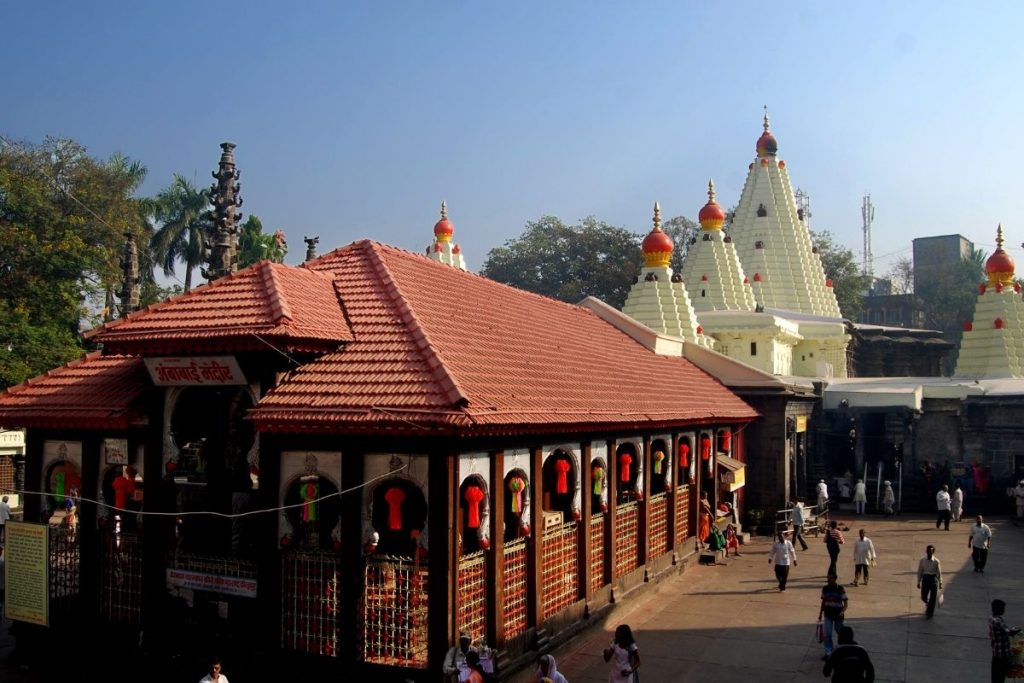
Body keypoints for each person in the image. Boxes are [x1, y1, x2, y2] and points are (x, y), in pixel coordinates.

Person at [990, 599, 1022, 683]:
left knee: (996, 675)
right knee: (1000, 676)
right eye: (1002, 608)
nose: (1004, 610)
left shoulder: (992, 618)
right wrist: (1018, 630)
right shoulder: (997, 621)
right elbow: (1009, 632)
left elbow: (1005, 630)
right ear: (998, 609)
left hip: (996, 652)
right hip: (1002, 654)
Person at [818, 572, 848, 660]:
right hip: (828, 614)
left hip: (838, 615)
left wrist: (843, 611)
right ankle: (828, 652)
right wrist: (820, 613)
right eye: (828, 578)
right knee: (828, 634)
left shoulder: (840, 589)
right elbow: (823, 602)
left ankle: (842, 650)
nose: (828, 580)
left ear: (835, 579)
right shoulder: (825, 588)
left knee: (841, 633)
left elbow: (845, 603)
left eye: (830, 578)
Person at [917, 544, 943, 618]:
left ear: (933, 552)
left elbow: (939, 573)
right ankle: (927, 603)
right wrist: (918, 582)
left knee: (933, 597)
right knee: (923, 596)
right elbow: (920, 571)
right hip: (925, 579)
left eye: (931, 551)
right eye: (928, 551)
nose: (929, 552)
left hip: (933, 579)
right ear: (926, 551)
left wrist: (940, 582)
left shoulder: (936, 561)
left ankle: (930, 612)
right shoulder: (922, 560)